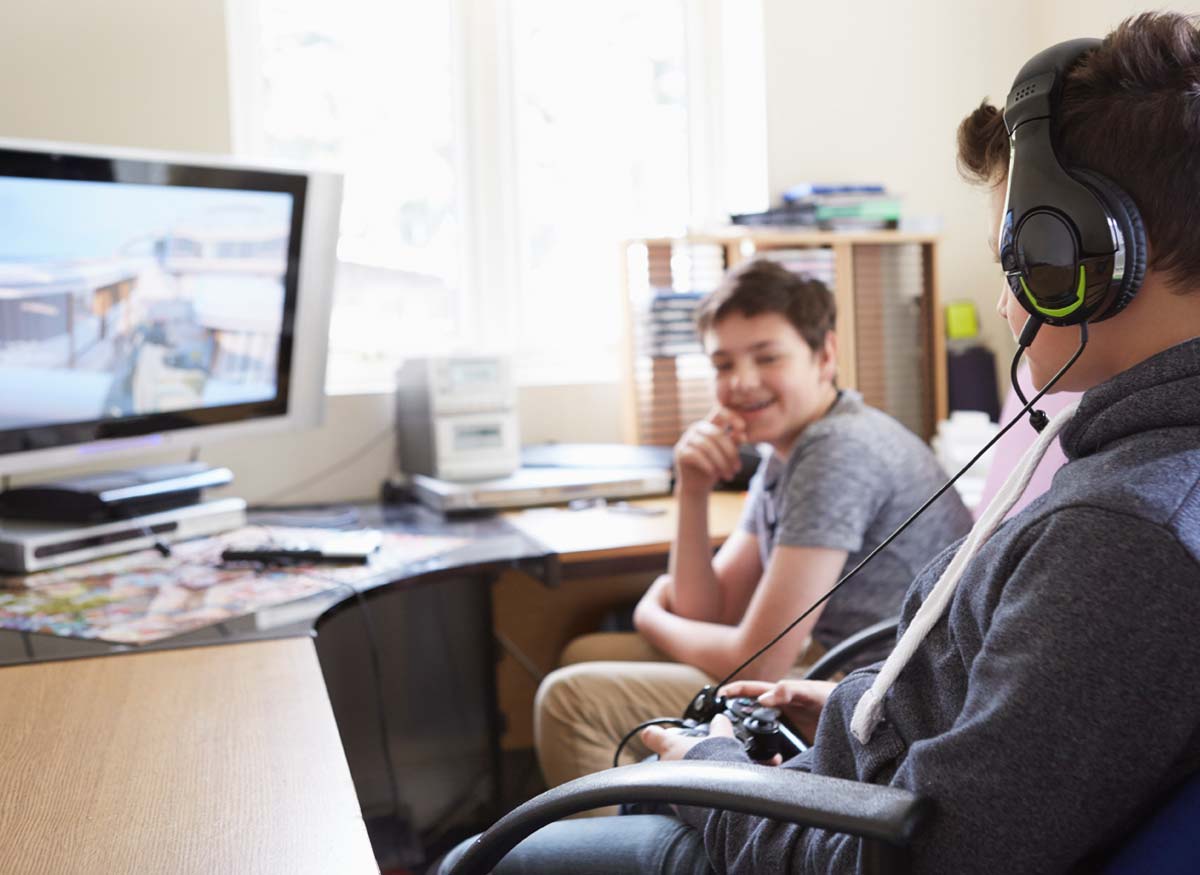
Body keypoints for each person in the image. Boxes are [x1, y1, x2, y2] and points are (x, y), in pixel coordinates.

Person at [441, 12, 1200, 873]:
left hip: (825, 836)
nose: (1004, 306)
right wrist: (854, 707)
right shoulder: (1133, 481)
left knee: (483, 856)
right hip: (848, 779)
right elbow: (1009, 733)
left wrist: (714, 773)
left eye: (1011, 266)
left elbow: (934, 857)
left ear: (1079, 261)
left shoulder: (1125, 532)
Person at [535, 258, 973, 791]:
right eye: (722, 365)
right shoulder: (783, 452)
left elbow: (761, 661)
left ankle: (630, 845)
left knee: (570, 699)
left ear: (825, 356)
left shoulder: (837, 451)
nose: (741, 382)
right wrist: (692, 488)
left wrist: (650, 616)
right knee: (586, 654)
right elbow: (706, 609)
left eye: (766, 357)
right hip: (821, 662)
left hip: (861, 696)